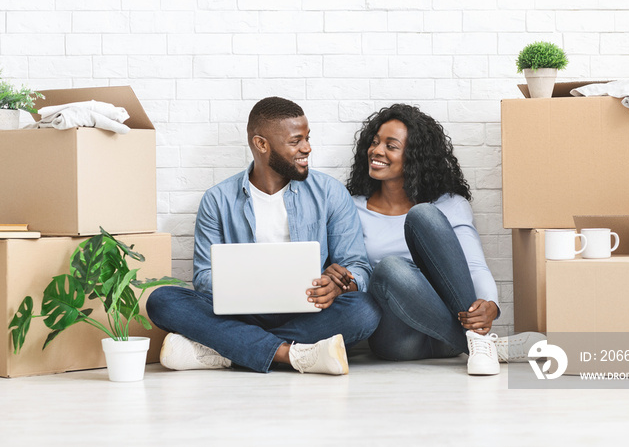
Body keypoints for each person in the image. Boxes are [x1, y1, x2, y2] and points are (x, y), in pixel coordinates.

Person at [147, 97, 381, 376]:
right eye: (296, 141)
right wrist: (251, 285)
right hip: (241, 312)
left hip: (307, 311)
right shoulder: (217, 200)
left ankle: (225, 349)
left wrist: (340, 285)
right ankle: (289, 353)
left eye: (307, 138)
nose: (307, 148)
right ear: (261, 144)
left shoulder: (330, 193)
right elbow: (203, 278)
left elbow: (357, 267)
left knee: (365, 310)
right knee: (162, 300)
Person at [342, 104, 544, 375]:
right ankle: (482, 346)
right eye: (375, 142)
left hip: (448, 326)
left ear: (415, 156)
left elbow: (473, 265)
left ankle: (475, 340)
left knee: (423, 215)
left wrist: (490, 304)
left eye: (391, 146)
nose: (376, 151)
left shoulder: (450, 204)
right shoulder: (352, 208)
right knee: (390, 268)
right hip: (398, 339)